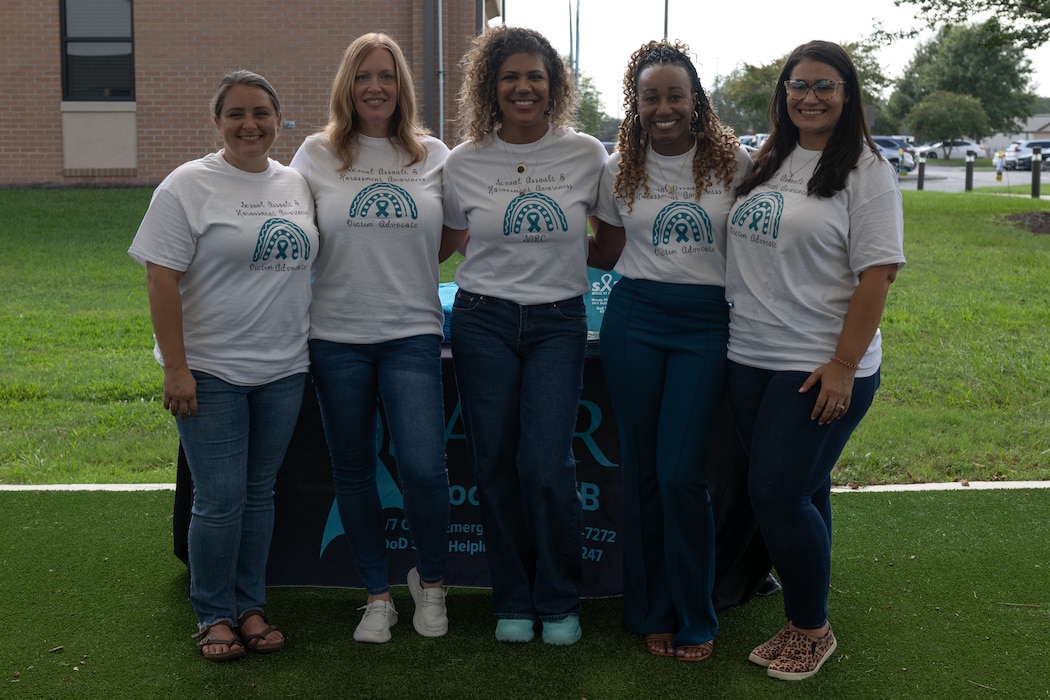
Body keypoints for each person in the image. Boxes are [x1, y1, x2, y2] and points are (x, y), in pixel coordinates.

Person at [725, 40, 905, 680]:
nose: (809, 96)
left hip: (819, 363)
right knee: (803, 488)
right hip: (749, 355)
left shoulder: (867, 171)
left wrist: (842, 365)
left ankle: (810, 628)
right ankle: (811, 596)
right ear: (783, 94)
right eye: (798, 85)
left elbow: (877, 276)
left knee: (774, 494)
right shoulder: (768, 159)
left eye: (825, 86)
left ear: (848, 95)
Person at [128, 70, 319, 661]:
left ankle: (249, 604)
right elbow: (161, 279)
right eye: (236, 114)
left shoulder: (296, 184)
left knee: (259, 493)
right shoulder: (187, 185)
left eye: (261, 112)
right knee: (219, 497)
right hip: (209, 369)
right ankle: (213, 613)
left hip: (285, 365)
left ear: (278, 120)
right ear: (217, 122)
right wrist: (176, 368)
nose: (249, 124)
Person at [442, 25, 607, 646]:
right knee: (495, 468)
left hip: (559, 322)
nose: (523, 87)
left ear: (554, 84)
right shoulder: (464, 161)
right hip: (482, 319)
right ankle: (512, 598)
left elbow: (609, 240)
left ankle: (558, 599)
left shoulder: (586, 154)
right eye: (510, 76)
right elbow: (450, 241)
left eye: (535, 76)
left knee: (546, 464)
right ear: (491, 85)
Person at [588, 39, 752, 662]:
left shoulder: (731, 163)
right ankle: (649, 608)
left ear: (695, 100)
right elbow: (604, 251)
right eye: (651, 96)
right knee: (642, 473)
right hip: (633, 318)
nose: (663, 107)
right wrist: (535, 233)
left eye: (675, 95)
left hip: (704, 323)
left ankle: (695, 611)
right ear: (637, 102)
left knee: (683, 475)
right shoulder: (616, 166)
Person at [289, 32, 454, 643]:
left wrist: (405, 266)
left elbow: (454, 231)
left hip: (411, 331)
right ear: (347, 86)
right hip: (335, 336)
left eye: (386, 75)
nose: (375, 86)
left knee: (423, 469)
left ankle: (430, 585)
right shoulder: (316, 154)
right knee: (353, 468)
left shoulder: (433, 155)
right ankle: (377, 596)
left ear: (401, 85)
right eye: (363, 76)